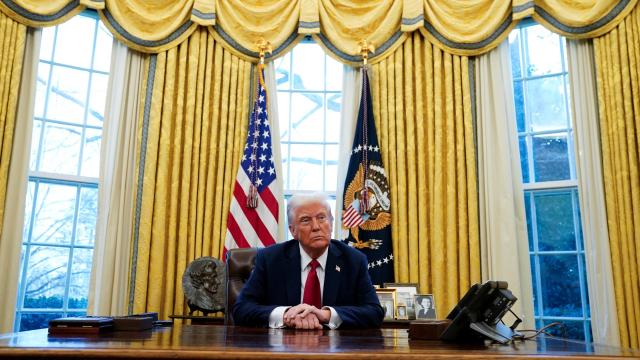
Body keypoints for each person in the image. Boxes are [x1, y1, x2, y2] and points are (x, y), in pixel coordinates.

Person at [232, 193, 384, 329]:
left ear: (331, 224)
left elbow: (374, 312)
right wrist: (286, 314)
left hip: (336, 352)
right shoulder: (270, 259)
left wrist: (326, 314)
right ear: (293, 231)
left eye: (322, 218)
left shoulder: (354, 261)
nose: (316, 227)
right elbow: (241, 309)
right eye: (306, 220)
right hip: (282, 350)